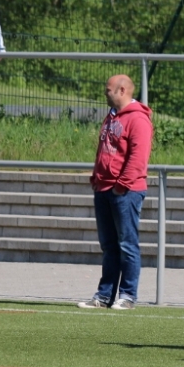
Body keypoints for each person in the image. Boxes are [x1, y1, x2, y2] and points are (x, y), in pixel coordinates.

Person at [77, 75, 153, 311]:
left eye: (108, 90)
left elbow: (138, 156)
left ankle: (128, 295)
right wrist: (96, 175)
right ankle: (104, 295)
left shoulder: (138, 119)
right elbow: (104, 150)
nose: (105, 93)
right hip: (104, 187)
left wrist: (122, 184)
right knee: (109, 246)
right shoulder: (110, 117)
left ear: (122, 90)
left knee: (127, 244)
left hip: (125, 191)